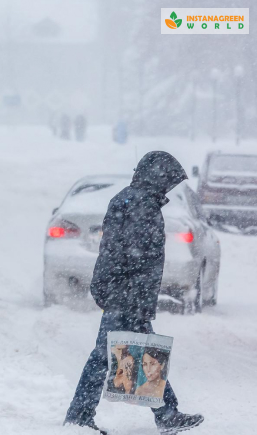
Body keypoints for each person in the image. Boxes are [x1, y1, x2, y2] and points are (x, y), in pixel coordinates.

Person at [63, 151, 204, 435]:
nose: (169, 187)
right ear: (157, 178)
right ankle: (80, 417)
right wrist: (134, 296)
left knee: (140, 351)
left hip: (122, 291)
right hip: (126, 294)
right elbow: (133, 257)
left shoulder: (132, 199)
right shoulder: (141, 204)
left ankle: (166, 413)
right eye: (169, 181)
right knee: (109, 355)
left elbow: (121, 254)